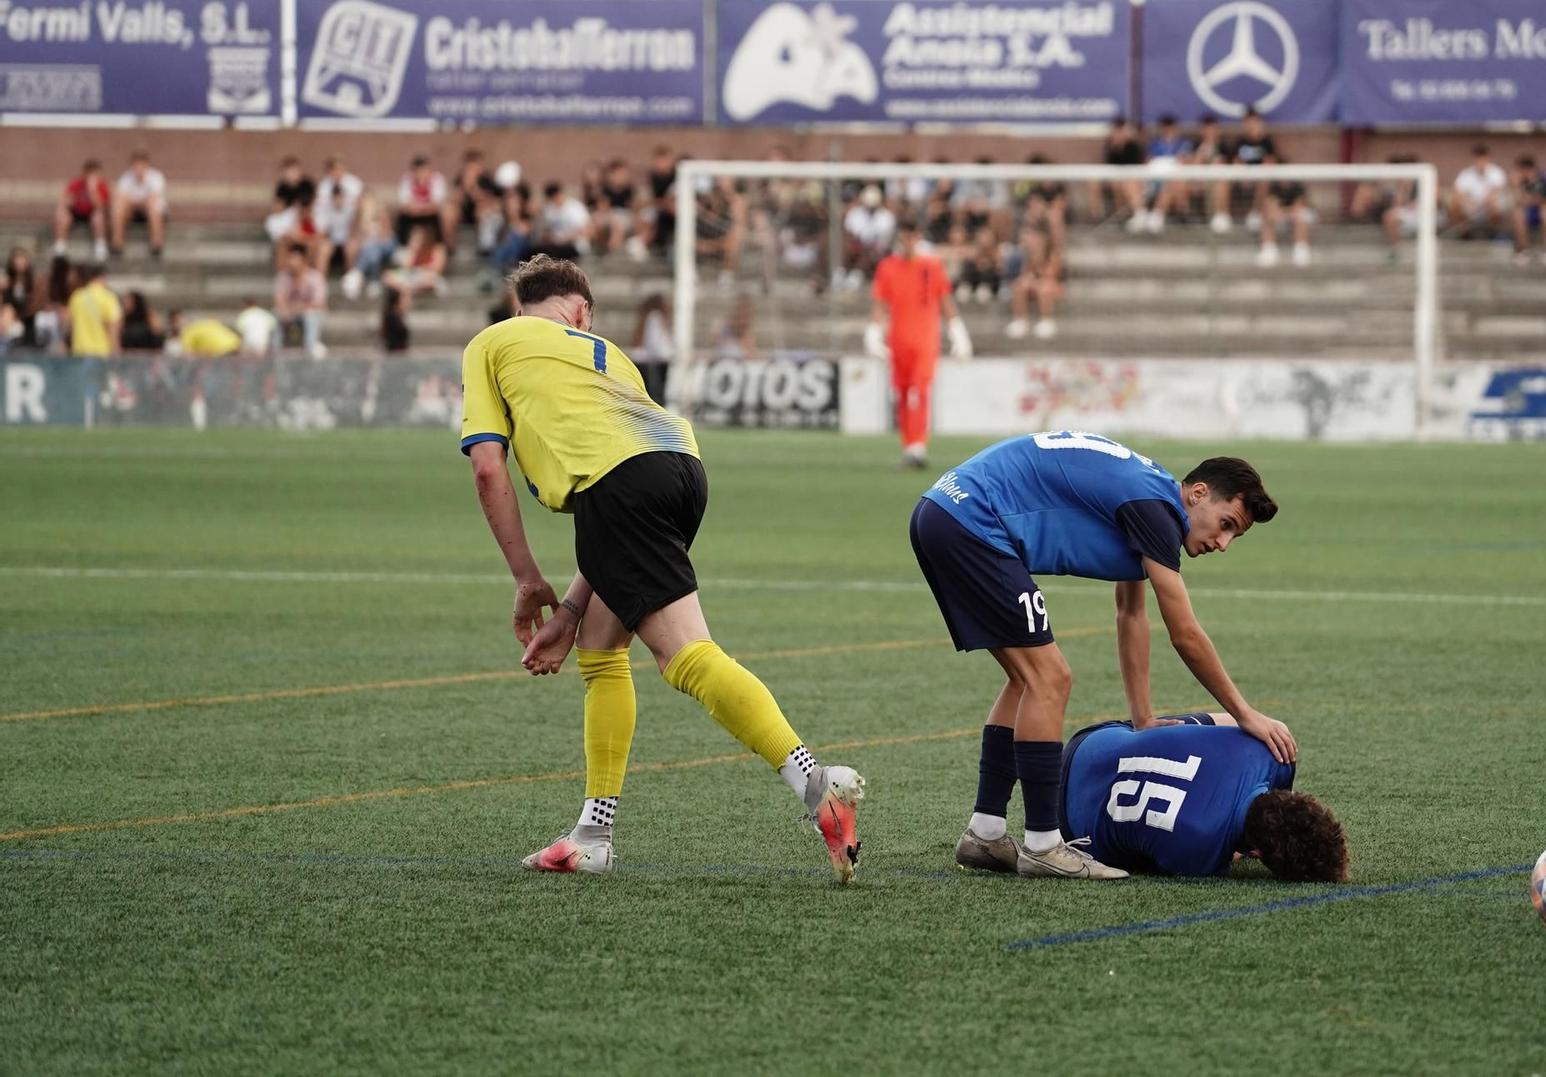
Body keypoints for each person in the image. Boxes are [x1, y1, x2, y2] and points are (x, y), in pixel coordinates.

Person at [462, 255, 864, 880]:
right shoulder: (605, 353)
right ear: (581, 313)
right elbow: (619, 524)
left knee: (687, 655)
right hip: (681, 472)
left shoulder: (494, 341)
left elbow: (489, 467)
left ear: (522, 310)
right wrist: (568, 609)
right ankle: (592, 834)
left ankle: (816, 785)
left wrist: (528, 580)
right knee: (598, 646)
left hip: (620, 487)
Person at [911, 433, 1294, 880]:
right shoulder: (1155, 509)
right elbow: (1185, 634)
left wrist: (1144, 717)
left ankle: (986, 832)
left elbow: (1130, 613)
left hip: (944, 510)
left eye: (1235, 536)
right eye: (1226, 524)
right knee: (1049, 678)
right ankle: (1042, 845)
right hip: (970, 521)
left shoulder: (1148, 500)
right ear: (1198, 492)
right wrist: (1245, 714)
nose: (1223, 543)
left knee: (1027, 679)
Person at [1046, 713, 1346, 881]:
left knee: (1263, 730)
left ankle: (1151, 733)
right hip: (1070, 822)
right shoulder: (1201, 857)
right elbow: (1225, 850)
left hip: (1090, 741)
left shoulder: (1272, 756)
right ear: (1263, 856)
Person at [866, 219, 972, 469]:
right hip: (898, 340)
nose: (908, 243)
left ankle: (919, 446)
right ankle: (909, 445)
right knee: (902, 393)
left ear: (918, 238)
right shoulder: (888, 267)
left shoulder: (932, 266)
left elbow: (945, 300)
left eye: (912, 238)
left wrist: (957, 331)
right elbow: (880, 303)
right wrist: (873, 332)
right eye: (904, 238)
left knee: (920, 390)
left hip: (925, 340)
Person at [274, 242, 328, 356]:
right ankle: (276, 353)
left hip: (307, 313)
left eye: (295, 259)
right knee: (277, 314)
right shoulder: (283, 277)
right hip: (290, 313)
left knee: (311, 316)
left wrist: (300, 307)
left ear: (304, 260)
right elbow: (279, 301)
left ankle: (309, 349)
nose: (291, 263)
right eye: (290, 259)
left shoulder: (315, 277)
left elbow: (318, 303)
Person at [111, 150, 167, 258]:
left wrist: (134, 201)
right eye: (135, 166)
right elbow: (119, 196)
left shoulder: (156, 177)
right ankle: (117, 243)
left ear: (147, 166)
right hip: (132, 211)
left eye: (141, 166)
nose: (138, 169)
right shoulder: (126, 178)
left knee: (153, 207)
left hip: (152, 212)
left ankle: (156, 243)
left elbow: (153, 198)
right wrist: (132, 202)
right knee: (118, 206)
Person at [54, 159, 110, 260]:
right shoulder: (76, 183)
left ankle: (100, 246)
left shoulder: (102, 186)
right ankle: (60, 246)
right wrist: (68, 202)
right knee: (61, 213)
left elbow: (100, 206)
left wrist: (92, 190)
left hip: (92, 213)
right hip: (76, 212)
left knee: (98, 216)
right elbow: (65, 200)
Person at [1511, 154, 1546, 266]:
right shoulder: (1521, 182)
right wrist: (1516, 187)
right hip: (1530, 213)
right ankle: (1523, 251)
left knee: (1545, 213)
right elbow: (1518, 201)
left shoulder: (1545, 180)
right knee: (1518, 214)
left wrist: (1534, 200)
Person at [1450, 144, 1508, 236]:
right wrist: (1468, 202)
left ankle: (1494, 232)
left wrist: (1484, 202)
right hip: (1472, 205)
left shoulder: (1496, 172)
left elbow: (1496, 191)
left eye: (1483, 158)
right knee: (1455, 202)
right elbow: (1458, 190)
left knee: (1492, 202)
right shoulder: (1466, 173)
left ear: (1488, 158)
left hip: (1488, 206)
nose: (1481, 162)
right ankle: (1464, 233)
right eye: (1478, 158)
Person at [65, 263, 122, 357]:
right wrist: (116, 352)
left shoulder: (77, 296)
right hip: (101, 353)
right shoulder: (109, 298)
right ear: (103, 277)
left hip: (79, 352)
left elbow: (69, 323)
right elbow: (113, 329)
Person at [395, 154, 449, 247]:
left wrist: (420, 209)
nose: (421, 174)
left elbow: (436, 204)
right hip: (411, 215)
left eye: (424, 171)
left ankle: (441, 245)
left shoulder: (437, 179)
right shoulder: (407, 179)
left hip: (431, 215)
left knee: (445, 215)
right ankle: (402, 246)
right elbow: (403, 204)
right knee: (400, 217)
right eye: (418, 171)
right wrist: (416, 208)